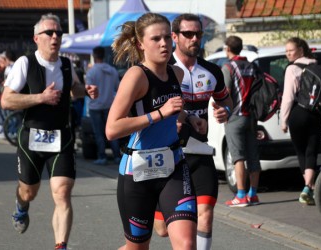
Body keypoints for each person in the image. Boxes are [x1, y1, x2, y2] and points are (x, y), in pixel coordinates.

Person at [106, 12, 206, 250]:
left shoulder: (177, 73)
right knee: (137, 248)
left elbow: (173, 109)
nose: (163, 44)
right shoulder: (135, 76)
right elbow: (112, 129)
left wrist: (189, 117)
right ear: (141, 44)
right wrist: (158, 114)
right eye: (155, 39)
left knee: (187, 244)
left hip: (172, 167)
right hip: (137, 172)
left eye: (166, 38)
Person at [1, 13, 98, 250]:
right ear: (37, 38)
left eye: (59, 33)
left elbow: (73, 89)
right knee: (29, 191)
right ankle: (21, 207)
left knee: (62, 193)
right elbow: (6, 100)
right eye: (50, 33)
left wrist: (85, 90)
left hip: (61, 137)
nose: (56, 36)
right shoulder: (25, 63)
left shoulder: (66, 64)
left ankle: (60, 245)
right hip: (32, 138)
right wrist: (40, 97)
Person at [153, 13, 233, 250]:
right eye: (188, 34)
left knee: (205, 213)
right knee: (162, 230)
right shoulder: (162, 70)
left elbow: (227, 101)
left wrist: (224, 111)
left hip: (200, 151)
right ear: (175, 37)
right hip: (167, 154)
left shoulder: (212, 71)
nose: (195, 38)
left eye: (198, 34)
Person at [221, 36, 262, 207]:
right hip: (251, 116)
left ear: (227, 48)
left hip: (234, 117)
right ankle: (253, 194)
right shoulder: (252, 67)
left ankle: (240, 195)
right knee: (253, 156)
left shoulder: (228, 67)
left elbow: (225, 93)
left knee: (237, 157)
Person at [280, 37, 321, 205]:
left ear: (301, 50)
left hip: (298, 113)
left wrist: (284, 120)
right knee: (312, 151)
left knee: (301, 152)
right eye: (286, 51)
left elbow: (288, 97)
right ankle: (308, 189)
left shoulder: (292, 69)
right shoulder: (316, 64)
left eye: (291, 50)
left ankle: (307, 188)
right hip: (316, 113)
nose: (288, 53)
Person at [85, 46, 121, 165]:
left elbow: (88, 90)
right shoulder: (113, 71)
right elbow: (117, 89)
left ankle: (102, 156)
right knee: (113, 132)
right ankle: (117, 155)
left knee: (99, 133)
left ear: (94, 56)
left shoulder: (91, 72)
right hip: (109, 105)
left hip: (95, 106)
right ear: (104, 56)